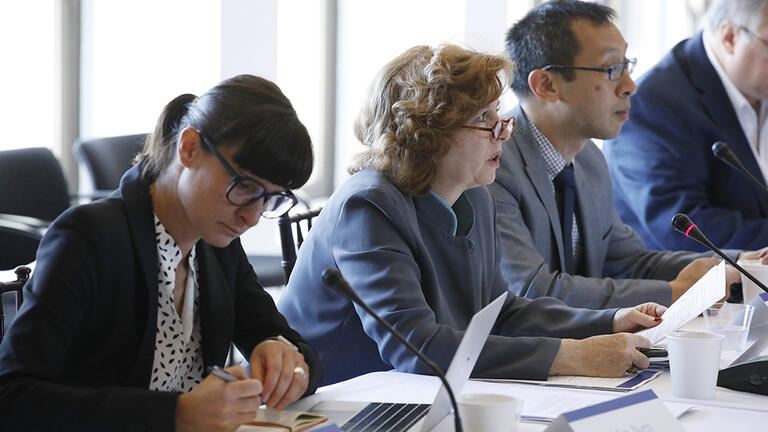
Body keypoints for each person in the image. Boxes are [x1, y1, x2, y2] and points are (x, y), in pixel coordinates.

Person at [279, 43, 671, 387]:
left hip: (420, 395)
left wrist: (610, 320)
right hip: (333, 403)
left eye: (498, 112)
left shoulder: (476, 195)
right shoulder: (367, 206)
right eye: (484, 118)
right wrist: (573, 355)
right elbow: (417, 349)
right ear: (426, 134)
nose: (504, 130)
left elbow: (500, 312)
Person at [0, 75, 321, 431]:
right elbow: (13, 397)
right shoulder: (89, 237)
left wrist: (286, 360)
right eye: (244, 186)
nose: (252, 216)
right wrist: (176, 414)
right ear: (189, 148)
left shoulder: (215, 245)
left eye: (271, 198)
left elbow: (291, 343)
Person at [489, 0, 743, 310]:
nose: (630, 86)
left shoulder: (589, 160)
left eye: (627, 65)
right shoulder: (493, 166)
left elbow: (626, 262)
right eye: (611, 69)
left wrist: (734, 261)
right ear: (547, 85)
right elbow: (531, 290)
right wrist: (674, 292)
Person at [604, 0, 768, 252]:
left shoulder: (757, 84)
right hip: (694, 285)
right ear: (730, 37)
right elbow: (686, 227)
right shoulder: (652, 105)